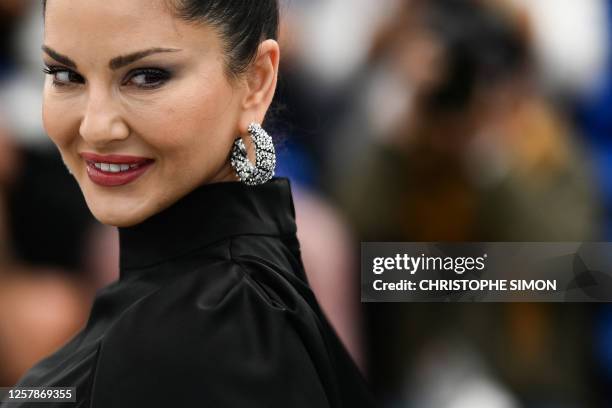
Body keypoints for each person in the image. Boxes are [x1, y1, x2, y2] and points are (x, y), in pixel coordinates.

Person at [5, 1, 376, 407]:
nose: (94, 126)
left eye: (146, 76)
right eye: (65, 75)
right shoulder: (226, 298)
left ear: (256, 80)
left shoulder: (210, 327)